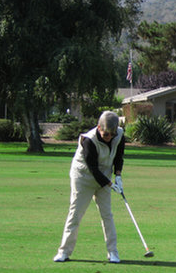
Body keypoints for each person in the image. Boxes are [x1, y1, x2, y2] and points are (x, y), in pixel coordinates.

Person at [54, 111, 125, 263]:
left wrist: (118, 175)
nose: (109, 137)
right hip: (83, 177)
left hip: (105, 175)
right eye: (106, 134)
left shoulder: (118, 135)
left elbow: (119, 156)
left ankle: (113, 252)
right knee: (75, 213)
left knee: (107, 215)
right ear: (99, 127)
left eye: (112, 135)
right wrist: (110, 184)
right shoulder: (88, 140)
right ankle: (64, 251)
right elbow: (93, 168)